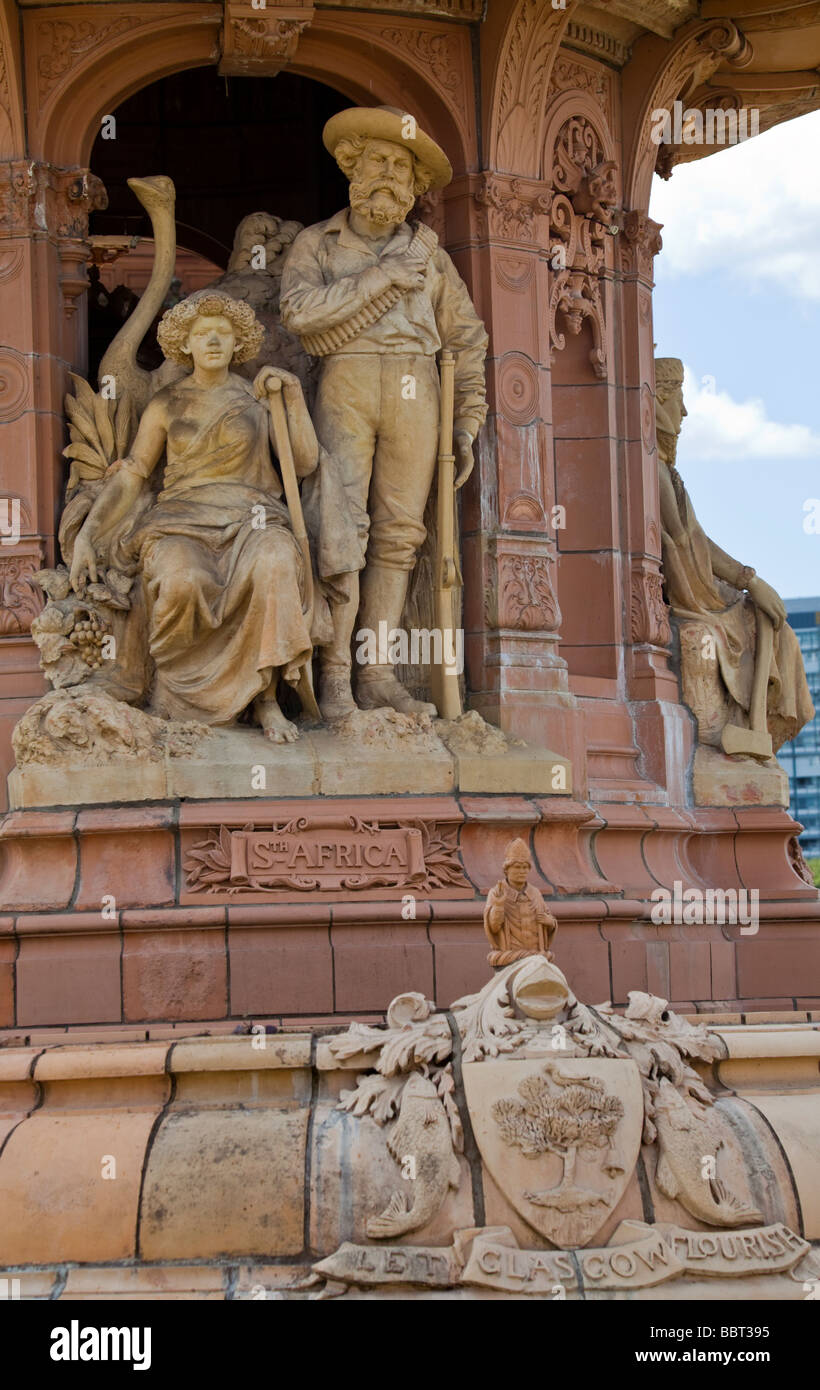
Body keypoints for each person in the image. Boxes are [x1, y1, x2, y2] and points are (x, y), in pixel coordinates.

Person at [280, 105, 488, 720]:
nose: (390, 175)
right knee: (340, 532)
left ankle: (376, 673)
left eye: (402, 166)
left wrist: (467, 420)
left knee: (400, 537)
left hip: (415, 390)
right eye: (379, 161)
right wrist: (382, 278)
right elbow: (298, 312)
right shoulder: (316, 243)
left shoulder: (432, 258)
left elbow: (467, 339)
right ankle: (334, 676)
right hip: (344, 380)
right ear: (352, 167)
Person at [69, 291, 319, 743]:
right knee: (181, 578)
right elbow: (134, 474)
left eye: (223, 334)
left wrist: (293, 399)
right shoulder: (166, 404)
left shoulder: (258, 398)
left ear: (238, 341)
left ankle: (264, 699)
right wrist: (89, 534)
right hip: (181, 519)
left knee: (276, 561)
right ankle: (174, 696)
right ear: (185, 343)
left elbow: (302, 464)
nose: (213, 342)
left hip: (253, 518)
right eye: (203, 334)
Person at [655, 357, 813, 753]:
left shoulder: (665, 472)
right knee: (767, 629)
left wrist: (750, 583)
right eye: (677, 399)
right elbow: (686, 543)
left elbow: (697, 541)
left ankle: (759, 732)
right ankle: (750, 732)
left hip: (706, 590)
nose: (685, 411)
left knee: (782, 632)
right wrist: (749, 582)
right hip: (694, 597)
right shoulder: (650, 471)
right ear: (656, 402)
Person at [483, 839, 558, 968]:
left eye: (525, 867)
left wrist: (550, 922)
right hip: (510, 958)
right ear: (507, 870)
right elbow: (493, 927)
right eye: (517, 867)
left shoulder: (535, 893)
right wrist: (499, 906)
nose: (522, 871)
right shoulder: (497, 892)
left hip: (537, 957)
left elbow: (549, 921)